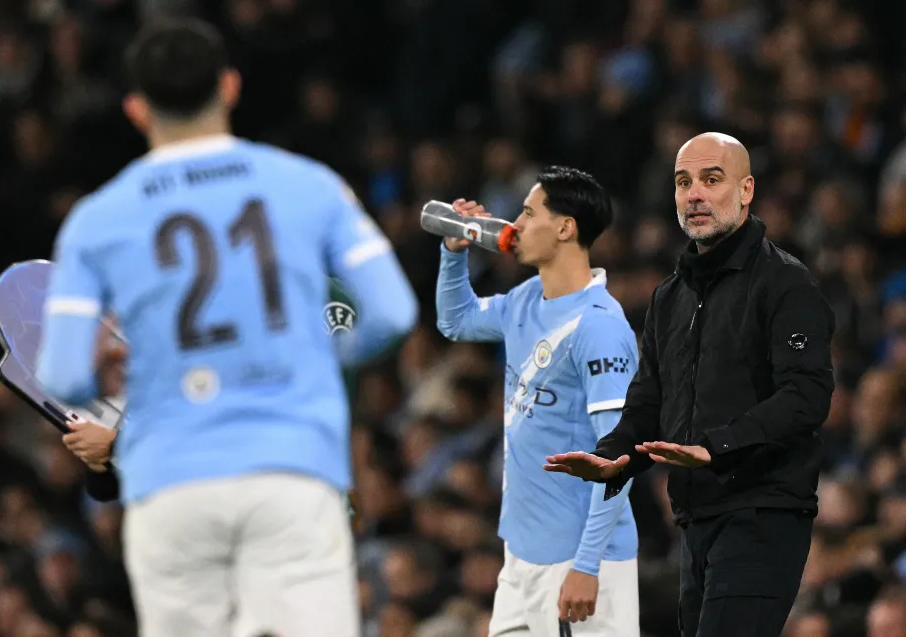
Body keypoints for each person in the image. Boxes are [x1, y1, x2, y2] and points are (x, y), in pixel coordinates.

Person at [34, 18, 418, 637]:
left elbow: (62, 374)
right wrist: (318, 354)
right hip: (292, 472)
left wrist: (107, 374)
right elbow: (394, 315)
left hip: (170, 486)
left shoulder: (95, 220)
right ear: (231, 87)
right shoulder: (310, 185)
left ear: (136, 109)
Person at [544, 133, 836, 637]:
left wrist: (716, 447)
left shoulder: (786, 283)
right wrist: (614, 456)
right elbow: (648, 402)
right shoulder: (670, 297)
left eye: (711, 179)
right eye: (683, 182)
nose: (694, 194)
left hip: (763, 511)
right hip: (695, 519)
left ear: (746, 190)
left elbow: (806, 397)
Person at [436, 166, 640, 637]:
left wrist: (586, 566)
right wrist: (453, 253)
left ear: (565, 228)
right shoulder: (527, 298)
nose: (516, 225)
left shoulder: (600, 328)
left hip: (577, 560)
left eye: (528, 213)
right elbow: (456, 321)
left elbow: (618, 459)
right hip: (521, 554)